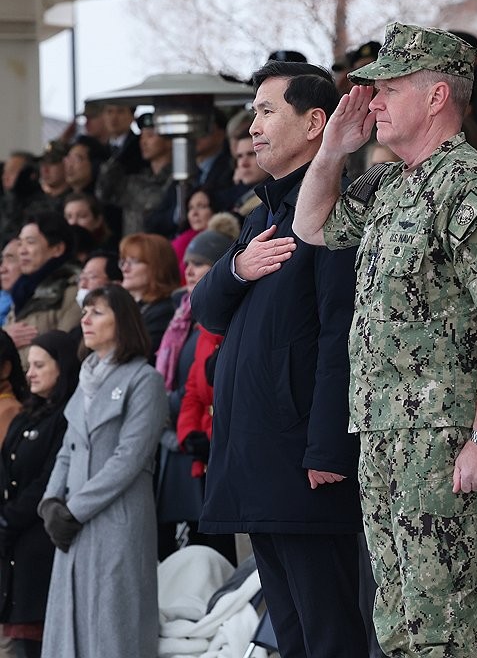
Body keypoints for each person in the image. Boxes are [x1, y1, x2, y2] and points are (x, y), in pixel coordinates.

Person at [292, 23, 477, 657]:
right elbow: (311, 226)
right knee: (396, 620)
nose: (372, 103)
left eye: (388, 88)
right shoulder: (392, 184)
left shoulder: (469, 185)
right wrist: (332, 151)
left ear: (435, 97)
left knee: (441, 622)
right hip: (384, 428)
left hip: (441, 435)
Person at [190, 60, 367, 658]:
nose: (253, 127)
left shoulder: (331, 214)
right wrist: (236, 267)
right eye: (255, 113)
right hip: (258, 453)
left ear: (316, 122)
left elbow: (338, 339)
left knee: (328, 632)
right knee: (289, 634)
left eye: (268, 112)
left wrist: (326, 450)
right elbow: (206, 311)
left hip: (304, 464)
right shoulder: (263, 215)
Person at [39, 285, 167, 658]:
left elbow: (129, 457)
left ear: (122, 321)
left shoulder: (145, 380)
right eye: (85, 312)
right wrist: (50, 502)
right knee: (72, 624)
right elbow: (67, 450)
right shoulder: (85, 380)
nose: (85, 319)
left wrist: (73, 510)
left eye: (97, 312)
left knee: (115, 625)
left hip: (116, 519)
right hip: (73, 522)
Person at [154, 227, 235, 562]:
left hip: (221, 450)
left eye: (200, 263)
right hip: (193, 452)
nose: (188, 270)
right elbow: (193, 390)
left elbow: (227, 395)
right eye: (187, 263)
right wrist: (188, 433)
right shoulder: (187, 321)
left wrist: (208, 436)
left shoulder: (221, 320)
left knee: (220, 553)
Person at [0, 331, 79, 658]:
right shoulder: (28, 414)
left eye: (39, 365)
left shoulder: (67, 417)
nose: (29, 372)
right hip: (13, 546)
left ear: (61, 367)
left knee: (31, 645)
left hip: (38, 542)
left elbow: (49, 480)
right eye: (28, 365)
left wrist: (9, 518)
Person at [4, 215, 80, 360]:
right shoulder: (22, 290)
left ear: (57, 249)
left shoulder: (72, 292)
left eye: (30, 242)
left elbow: (65, 353)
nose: (22, 250)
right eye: (20, 243)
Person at [118, 233, 180, 355]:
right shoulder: (135, 305)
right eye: (123, 261)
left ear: (158, 267)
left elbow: (138, 353)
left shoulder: (165, 311)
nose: (125, 269)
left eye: (134, 261)